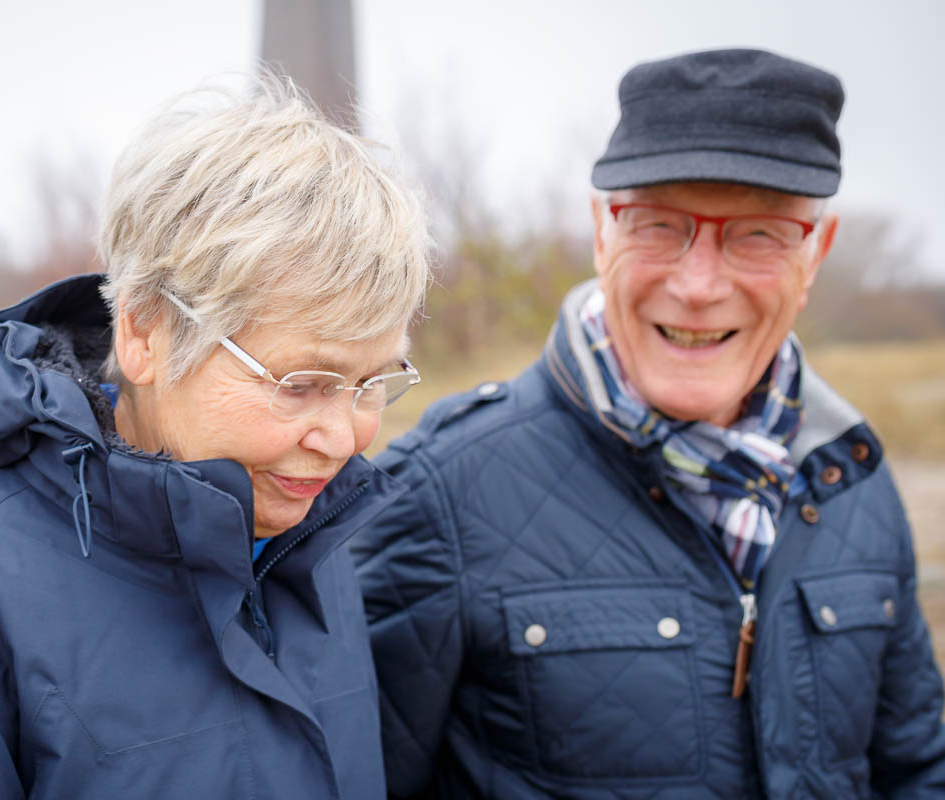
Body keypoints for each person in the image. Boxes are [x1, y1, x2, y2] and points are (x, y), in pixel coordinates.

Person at [0, 75, 430, 798]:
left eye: (371, 382)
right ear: (144, 333)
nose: (343, 439)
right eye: (301, 383)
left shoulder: (316, 539)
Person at [355, 48, 945, 798]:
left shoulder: (850, 479)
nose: (698, 285)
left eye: (758, 234)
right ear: (602, 233)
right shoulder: (440, 494)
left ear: (815, 254)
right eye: (659, 225)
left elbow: (916, 770)